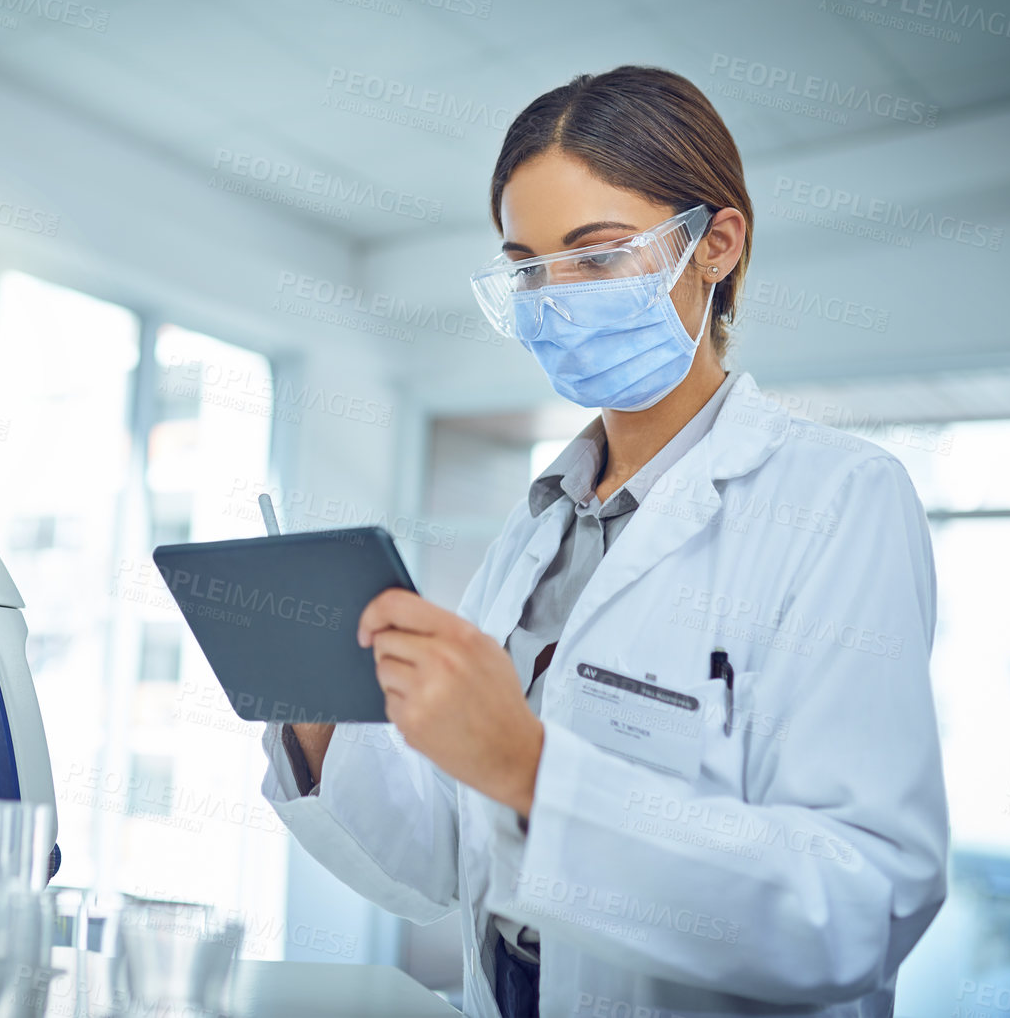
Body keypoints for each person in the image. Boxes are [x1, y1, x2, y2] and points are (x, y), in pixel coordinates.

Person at [260, 65, 949, 1018]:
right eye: (528, 266)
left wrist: (533, 771)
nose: (556, 296)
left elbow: (855, 907)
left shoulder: (838, 499)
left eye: (596, 253)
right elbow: (453, 865)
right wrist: (319, 718)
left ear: (715, 244)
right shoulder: (542, 520)